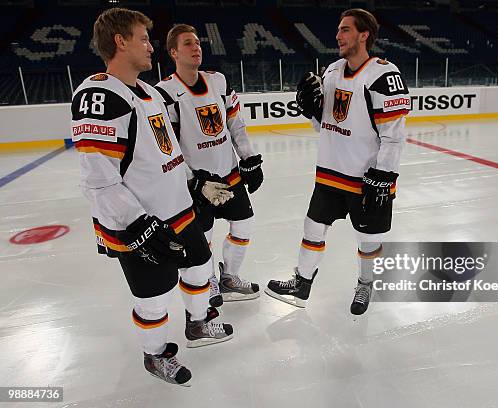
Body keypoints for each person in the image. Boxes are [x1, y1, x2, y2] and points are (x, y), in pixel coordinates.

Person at [71, 8, 233, 386]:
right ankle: (154, 354)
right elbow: (98, 179)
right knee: (153, 296)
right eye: (143, 38)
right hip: (140, 223)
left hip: (178, 211)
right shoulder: (98, 95)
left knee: (199, 267)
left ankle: (197, 324)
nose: (150, 46)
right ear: (120, 41)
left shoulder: (148, 91)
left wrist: (194, 183)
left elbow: (166, 151)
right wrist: (136, 225)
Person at [265, 9, 409, 315]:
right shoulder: (330, 71)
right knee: (313, 227)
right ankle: (302, 282)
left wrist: (383, 175)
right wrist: (311, 111)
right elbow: (325, 124)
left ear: (364, 34)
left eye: (345, 30)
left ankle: (365, 283)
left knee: (368, 238)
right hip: (330, 174)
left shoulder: (384, 75)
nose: (338, 36)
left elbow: (394, 137)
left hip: (367, 178)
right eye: (339, 30)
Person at [155, 24, 262, 306]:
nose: (196, 47)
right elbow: (167, 147)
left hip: (229, 174)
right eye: (188, 43)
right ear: (174, 52)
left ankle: (229, 277)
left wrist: (249, 158)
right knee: (203, 236)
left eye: (198, 43)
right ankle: (211, 279)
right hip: (196, 184)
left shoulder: (218, 81)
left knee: (244, 224)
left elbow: (235, 125)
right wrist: (192, 180)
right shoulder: (164, 92)